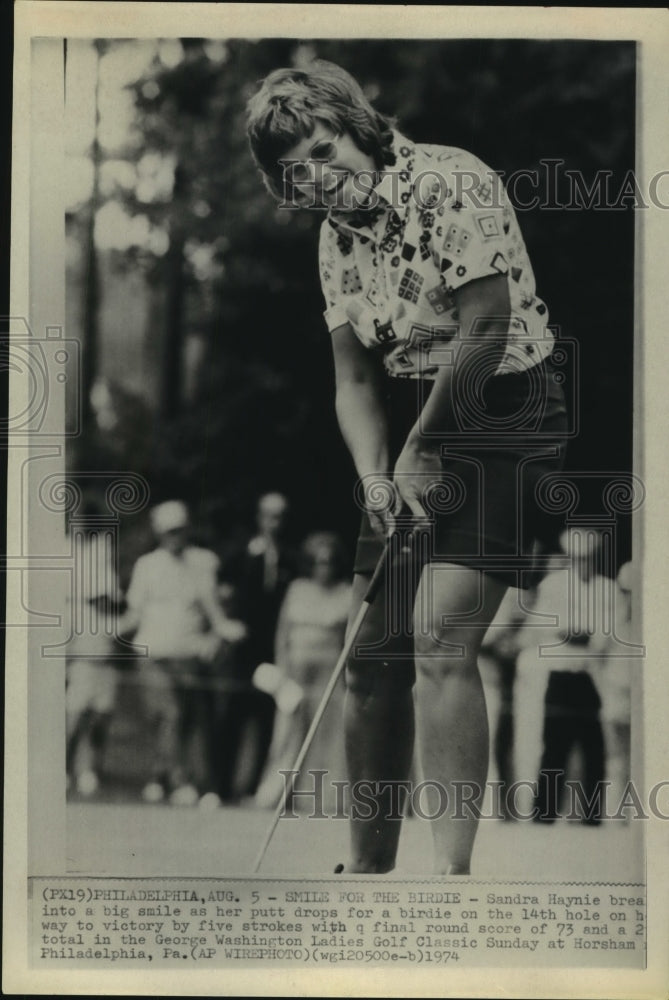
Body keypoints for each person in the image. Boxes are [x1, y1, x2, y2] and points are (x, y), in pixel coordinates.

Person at [246, 61, 568, 874]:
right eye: (296, 173)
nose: (319, 177)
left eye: (325, 150)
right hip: (418, 417)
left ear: (358, 127)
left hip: (506, 408)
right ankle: (369, 873)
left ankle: (449, 881)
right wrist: (375, 475)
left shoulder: (449, 180)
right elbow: (353, 379)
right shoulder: (334, 240)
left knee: (436, 636)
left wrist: (421, 448)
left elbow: (486, 327)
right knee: (373, 655)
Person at [124, 500, 245, 806]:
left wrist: (219, 631)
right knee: (169, 715)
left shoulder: (205, 561)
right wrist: (104, 629)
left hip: (190, 653)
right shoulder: (147, 565)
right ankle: (178, 781)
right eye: (168, 532)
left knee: (190, 721)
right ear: (159, 533)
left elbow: (213, 608)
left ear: (187, 529)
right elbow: (134, 615)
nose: (174, 537)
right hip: (153, 653)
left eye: (178, 531)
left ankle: (162, 776)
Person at [254, 532, 351, 809]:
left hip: (330, 670)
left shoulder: (346, 591)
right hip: (295, 670)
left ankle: (325, 798)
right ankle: (275, 794)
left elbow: (347, 637)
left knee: (328, 733)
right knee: (288, 732)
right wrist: (282, 670)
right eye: (318, 562)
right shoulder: (297, 589)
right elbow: (281, 634)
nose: (324, 567)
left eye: (329, 562)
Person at [216, 492, 297, 800]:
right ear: (259, 517)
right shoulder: (241, 554)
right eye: (269, 515)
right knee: (231, 716)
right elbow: (222, 591)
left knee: (267, 720)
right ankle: (222, 787)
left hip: (273, 649)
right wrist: (227, 622)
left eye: (280, 516)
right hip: (242, 650)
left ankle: (254, 788)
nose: (274, 523)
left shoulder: (290, 558)